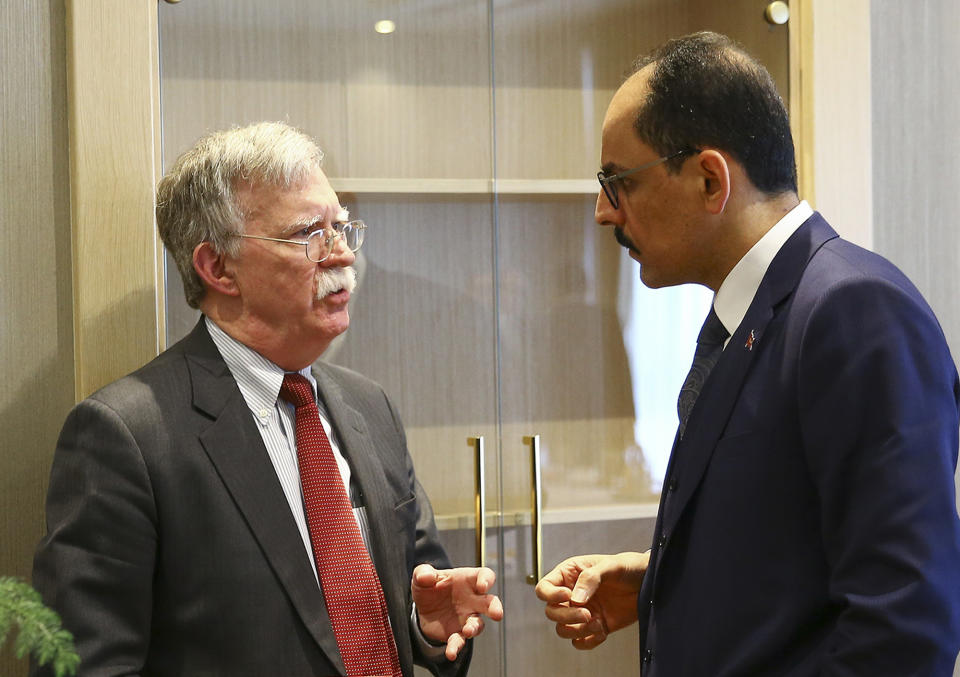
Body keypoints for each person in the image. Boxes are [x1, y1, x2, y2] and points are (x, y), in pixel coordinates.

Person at [535, 31, 960, 676]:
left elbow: (905, 627)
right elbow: (796, 537)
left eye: (618, 181)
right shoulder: (749, 313)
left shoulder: (852, 310)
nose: (603, 212)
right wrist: (662, 579)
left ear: (710, 178)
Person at [32, 121, 502, 677]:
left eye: (343, 229)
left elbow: (420, 600)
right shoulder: (126, 434)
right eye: (310, 234)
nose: (342, 255)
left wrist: (429, 630)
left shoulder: (369, 405)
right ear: (217, 267)